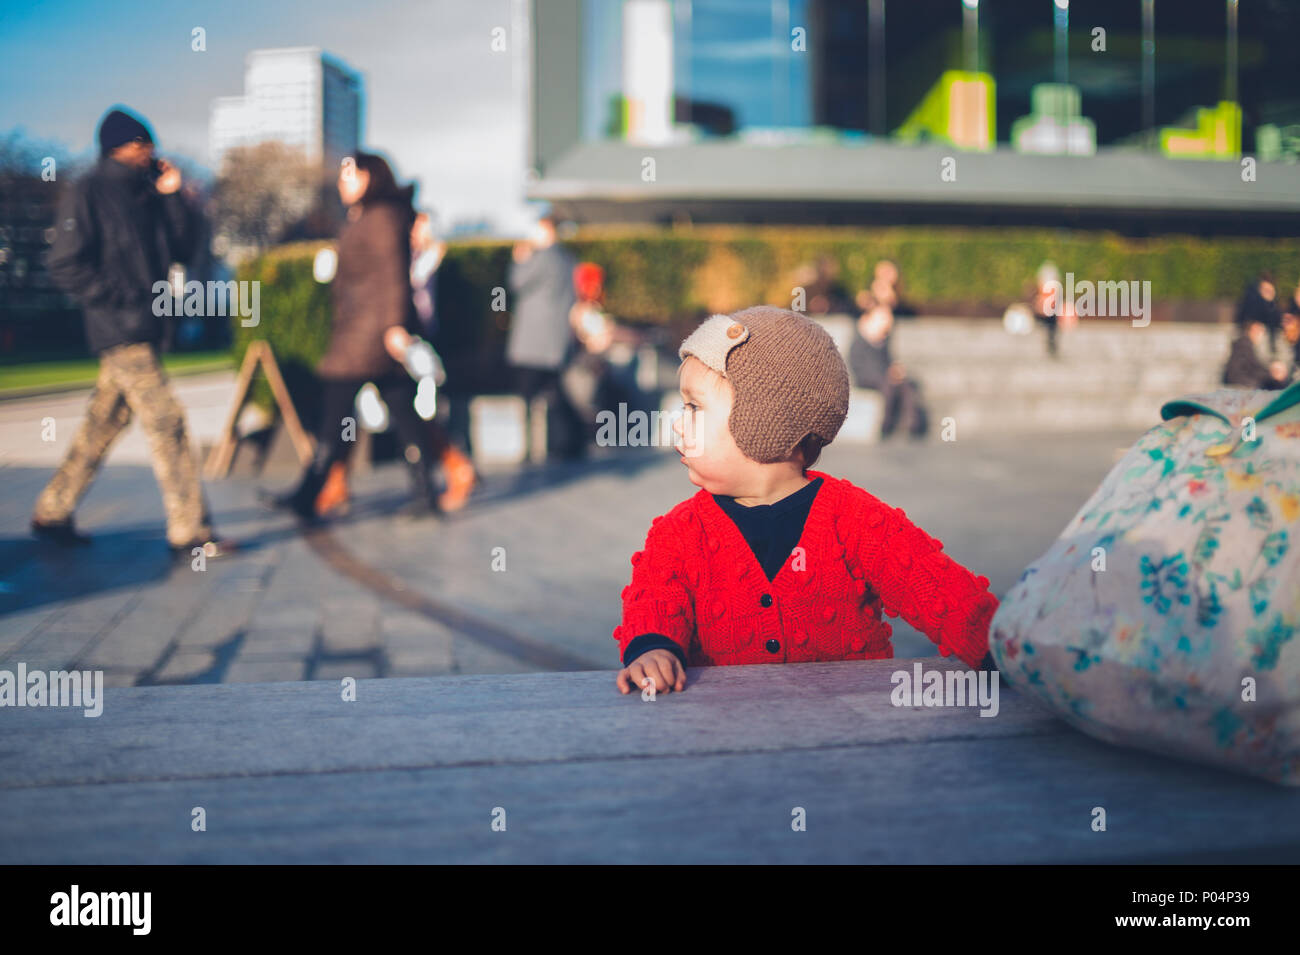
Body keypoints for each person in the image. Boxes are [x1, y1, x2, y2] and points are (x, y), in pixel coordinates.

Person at [611, 306, 1000, 695]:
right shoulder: (678, 533)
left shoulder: (853, 519)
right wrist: (653, 649)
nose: (679, 423)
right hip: (727, 741)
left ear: (764, 420)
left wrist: (1001, 649)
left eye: (694, 407)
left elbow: (938, 589)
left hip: (851, 735)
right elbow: (655, 599)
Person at [32, 106, 233, 560]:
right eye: (144, 145)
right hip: (120, 329)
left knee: (102, 424)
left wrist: (174, 195)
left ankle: (52, 510)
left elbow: (185, 247)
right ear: (121, 147)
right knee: (168, 422)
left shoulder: (149, 197)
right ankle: (190, 531)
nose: (151, 154)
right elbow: (64, 263)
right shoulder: (89, 192)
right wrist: (123, 298)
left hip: (146, 326)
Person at [263, 151, 447, 519]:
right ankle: (426, 494)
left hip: (367, 336)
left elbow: (394, 275)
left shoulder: (380, 219)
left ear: (371, 177)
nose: (342, 181)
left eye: (351, 174)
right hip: (364, 333)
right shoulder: (370, 217)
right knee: (401, 413)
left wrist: (395, 327)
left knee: (334, 416)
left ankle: (309, 495)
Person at [313, 209, 477, 516]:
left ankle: (455, 467)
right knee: (361, 411)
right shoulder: (397, 253)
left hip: (409, 345)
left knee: (412, 415)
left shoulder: (420, 257)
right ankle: (336, 481)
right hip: (383, 343)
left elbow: (411, 281)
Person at [506, 213, 583, 459]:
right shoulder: (568, 259)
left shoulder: (540, 258)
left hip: (532, 341)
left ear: (546, 230)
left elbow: (516, 282)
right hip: (554, 338)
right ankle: (571, 441)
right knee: (555, 390)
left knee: (527, 395)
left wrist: (520, 260)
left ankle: (528, 448)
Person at [848, 300, 928, 439]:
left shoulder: (883, 339)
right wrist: (887, 374)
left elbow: (888, 361)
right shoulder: (861, 338)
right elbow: (859, 365)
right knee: (889, 385)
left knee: (906, 384)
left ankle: (912, 424)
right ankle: (885, 425)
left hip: (883, 376)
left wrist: (895, 370)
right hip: (867, 378)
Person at [1222, 318, 1290, 390]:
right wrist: (1271, 374)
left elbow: (1254, 368)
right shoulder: (1244, 346)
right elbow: (1253, 369)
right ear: (1253, 331)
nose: (1261, 335)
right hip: (1244, 384)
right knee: (1276, 383)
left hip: (1247, 382)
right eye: (1260, 331)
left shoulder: (1245, 345)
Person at [1235, 272, 1282, 358]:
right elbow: (1247, 315)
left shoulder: (1272, 304)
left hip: (1265, 335)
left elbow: (1276, 322)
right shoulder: (1252, 298)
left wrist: (1270, 302)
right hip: (1250, 329)